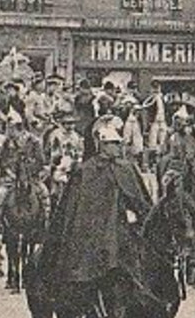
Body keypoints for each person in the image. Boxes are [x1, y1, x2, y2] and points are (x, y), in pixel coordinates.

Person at [41, 115, 154, 292]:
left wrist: (143, 218)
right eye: (113, 143)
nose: (118, 147)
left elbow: (140, 200)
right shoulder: (86, 170)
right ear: (101, 144)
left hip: (125, 225)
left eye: (118, 143)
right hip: (96, 229)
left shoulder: (127, 168)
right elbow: (78, 208)